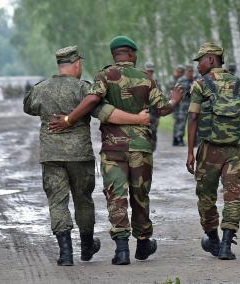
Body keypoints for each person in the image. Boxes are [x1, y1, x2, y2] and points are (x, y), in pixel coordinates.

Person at [49, 36, 184, 265]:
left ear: (115, 55)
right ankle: (142, 245)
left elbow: (92, 99)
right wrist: (175, 100)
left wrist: (69, 119)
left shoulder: (105, 76)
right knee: (140, 195)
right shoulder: (145, 78)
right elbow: (162, 110)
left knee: (116, 196)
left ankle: (122, 251)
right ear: (132, 54)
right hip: (140, 148)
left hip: (113, 148)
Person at [23, 46, 150, 266]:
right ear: (77, 64)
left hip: (51, 156)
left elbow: (28, 107)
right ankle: (87, 247)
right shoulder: (84, 89)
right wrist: (137, 118)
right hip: (80, 156)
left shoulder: (40, 89)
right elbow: (107, 114)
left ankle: (65, 254)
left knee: (57, 202)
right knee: (83, 201)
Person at [186, 42, 240, 260]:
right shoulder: (239, 84)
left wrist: (190, 152)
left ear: (212, 59)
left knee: (206, 194)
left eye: (201, 60)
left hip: (209, 150)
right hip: (234, 149)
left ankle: (213, 239)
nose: (197, 65)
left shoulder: (200, 85)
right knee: (234, 194)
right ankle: (226, 244)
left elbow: (193, 117)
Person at [174, 64, 196, 146]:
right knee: (181, 122)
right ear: (186, 71)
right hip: (183, 105)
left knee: (193, 122)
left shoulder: (195, 80)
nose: (190, 73)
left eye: (191, 71)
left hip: (193, 105)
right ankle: (179, 138)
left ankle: (194, 140)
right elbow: (177, 92)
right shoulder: (181, 80)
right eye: (189, 71)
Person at [144, 62, 160, 152]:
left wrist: (158, 117)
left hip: (153, 115)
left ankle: (151, 154)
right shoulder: (139, 82)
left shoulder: (156, 83)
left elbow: (159, 102)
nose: (150, 73)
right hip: (142, 114)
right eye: (148, 71)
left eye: (151, 71)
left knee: (153, 134)